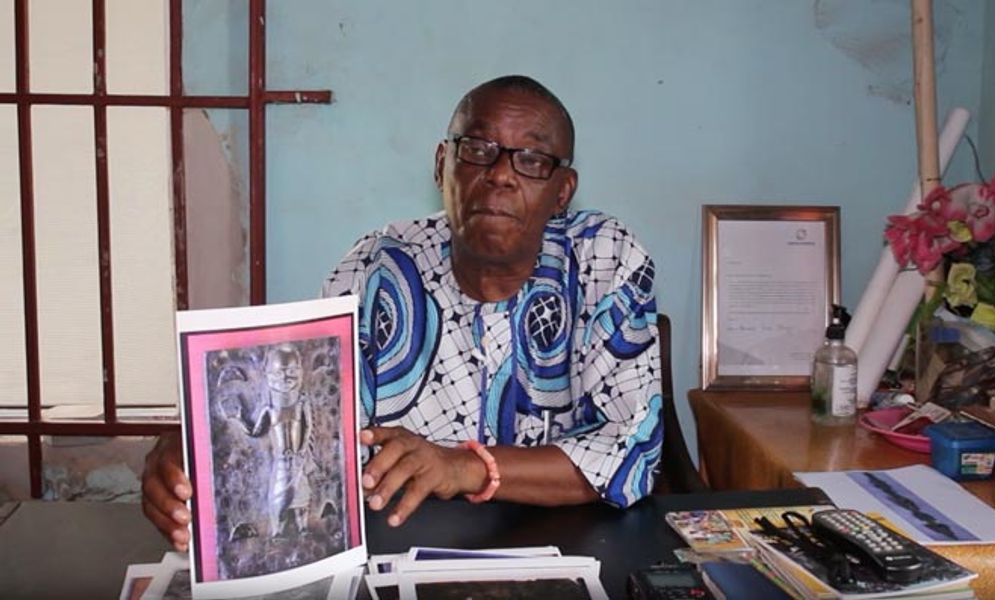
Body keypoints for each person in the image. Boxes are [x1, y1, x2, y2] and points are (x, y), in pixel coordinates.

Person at [143, 75, 663, 551]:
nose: (501, 175)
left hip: (570, 547)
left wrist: (465, 467)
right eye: (478, 150)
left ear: (562, 193)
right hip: (400, 548)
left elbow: (632, 450)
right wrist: (197, 453)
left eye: (531, 159)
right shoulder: (376, 267)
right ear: (443, 166)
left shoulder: (604, 260)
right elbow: (301, 434)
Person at [220, 344, 313, 539]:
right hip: (280, 461)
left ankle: (303, 527)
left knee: (301, 495)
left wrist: (302, 450)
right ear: (269, 376)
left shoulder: (302, 402)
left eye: (291, 373)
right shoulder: (269, 410)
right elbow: (255, 432)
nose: (285, 379)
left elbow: (308, 427)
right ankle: (277, 530)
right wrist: (239, 418)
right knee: (277, 496)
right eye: (279, 373)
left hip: (297, 459)